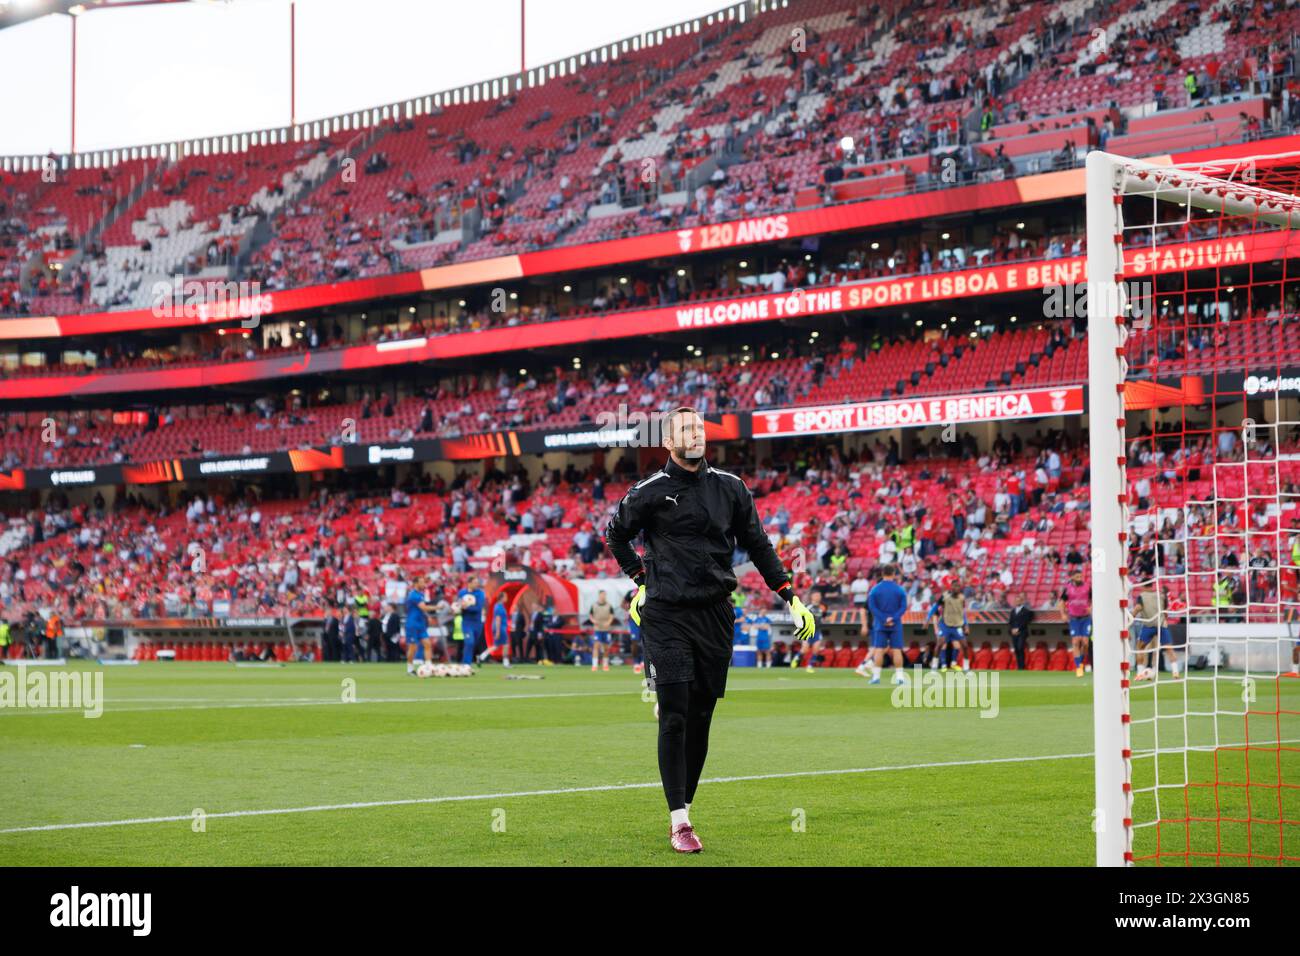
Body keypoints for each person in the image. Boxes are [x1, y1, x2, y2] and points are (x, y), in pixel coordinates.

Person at [605, 405, 816, 854]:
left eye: (699, 427)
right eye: (685, 428)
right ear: (668, 441)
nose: (695, 433)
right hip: (666, 614)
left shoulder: (731, 489)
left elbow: (758, 544)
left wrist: (790, 596)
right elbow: (615, 535)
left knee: (700, 717)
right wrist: (642, 581)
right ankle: (679, 821)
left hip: (716, 615)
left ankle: (686, 803)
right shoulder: (648, 492)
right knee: (677, 714)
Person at [860, 565, 909, 685]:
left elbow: (872, 607)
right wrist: (893, 618)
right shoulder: (899, 589)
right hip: (895, 624)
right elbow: (903, 607)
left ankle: (876, 677)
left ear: (882, 574)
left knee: (879, 650)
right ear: (893, 574)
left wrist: (883, 618)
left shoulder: (875, 589)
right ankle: (900, 678)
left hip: (880, 624)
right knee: (897, 650)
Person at [1133, 583, 1180, 680]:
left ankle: (1139, 673)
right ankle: (1175, 673)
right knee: (1169, 649)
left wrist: (1131, 617)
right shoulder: (1161, 596)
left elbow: (1138, 608)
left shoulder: (1142, 596)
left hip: (1148, 625)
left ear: (1143, 586)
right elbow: (1165, 612)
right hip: (1161, 625)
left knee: (1139, 648)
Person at [926, 578, 969, 671]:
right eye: (955, 586)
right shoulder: (944, 596)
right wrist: (927, 620)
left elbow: (963, 613)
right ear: (951, 587)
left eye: (958, 586)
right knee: (940, 644)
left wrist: (966, 625)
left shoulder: (962, 598)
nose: (957, 588)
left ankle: (965, 667)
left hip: (957, 625)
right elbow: (935, 608)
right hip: (945, 625)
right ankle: (936, 666)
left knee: (964, 645)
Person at [1058, 567, 1092, 677]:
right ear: (1072, 577)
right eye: (1077, 576)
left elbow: (1094, 599)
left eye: (1081, 576)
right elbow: (1062, 602)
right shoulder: (1067, 588)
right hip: (1074, 619)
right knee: (1076, 642)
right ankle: (1078, 667)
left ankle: (1081, 662)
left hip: (1086, 618)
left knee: (1085, 643)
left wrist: (1091, 607)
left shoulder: (1087, 587)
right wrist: (1063, 614)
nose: (1080, 578)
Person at [457, 576, 486, 666]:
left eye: (477, 582)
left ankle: (470, 660)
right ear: (469, 583)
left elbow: (478, 608)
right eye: (475, 582)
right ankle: (466, 664)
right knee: (469, 642)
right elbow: (458, 605)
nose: (477, 584)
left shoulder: (480, 594)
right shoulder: (462, 593)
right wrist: (458, 608)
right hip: (466, 622)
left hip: (477, 623)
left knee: (473, 643)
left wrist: (466, 607)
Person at [589, 589, 617, 672]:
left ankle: (605, 665)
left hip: (606, 629)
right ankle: (594, 665)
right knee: (596, 646)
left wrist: (609, 622)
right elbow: (590, 615)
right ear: (599, 595)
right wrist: (593, 621)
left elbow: (612, 615)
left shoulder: (609, 605)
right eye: (602, 595)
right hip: (597, 629)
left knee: (606, 648)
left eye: (604, 595)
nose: (603, 596)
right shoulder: (594, 605)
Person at [1008, 592, 1034, 671]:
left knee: (1020, 648)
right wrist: (1012, 629)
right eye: (1016, 601)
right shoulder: (1013, 611)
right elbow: (1011, 622)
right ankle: (1019, 666)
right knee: (1016, 649)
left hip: (1022, 632)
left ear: (1021, 601)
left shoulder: (1026, 611)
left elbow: (1025, 622)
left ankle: (1022, 666)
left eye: (1018, 601)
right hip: (1014, 633)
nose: (1017, 602)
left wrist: (1018, 629)